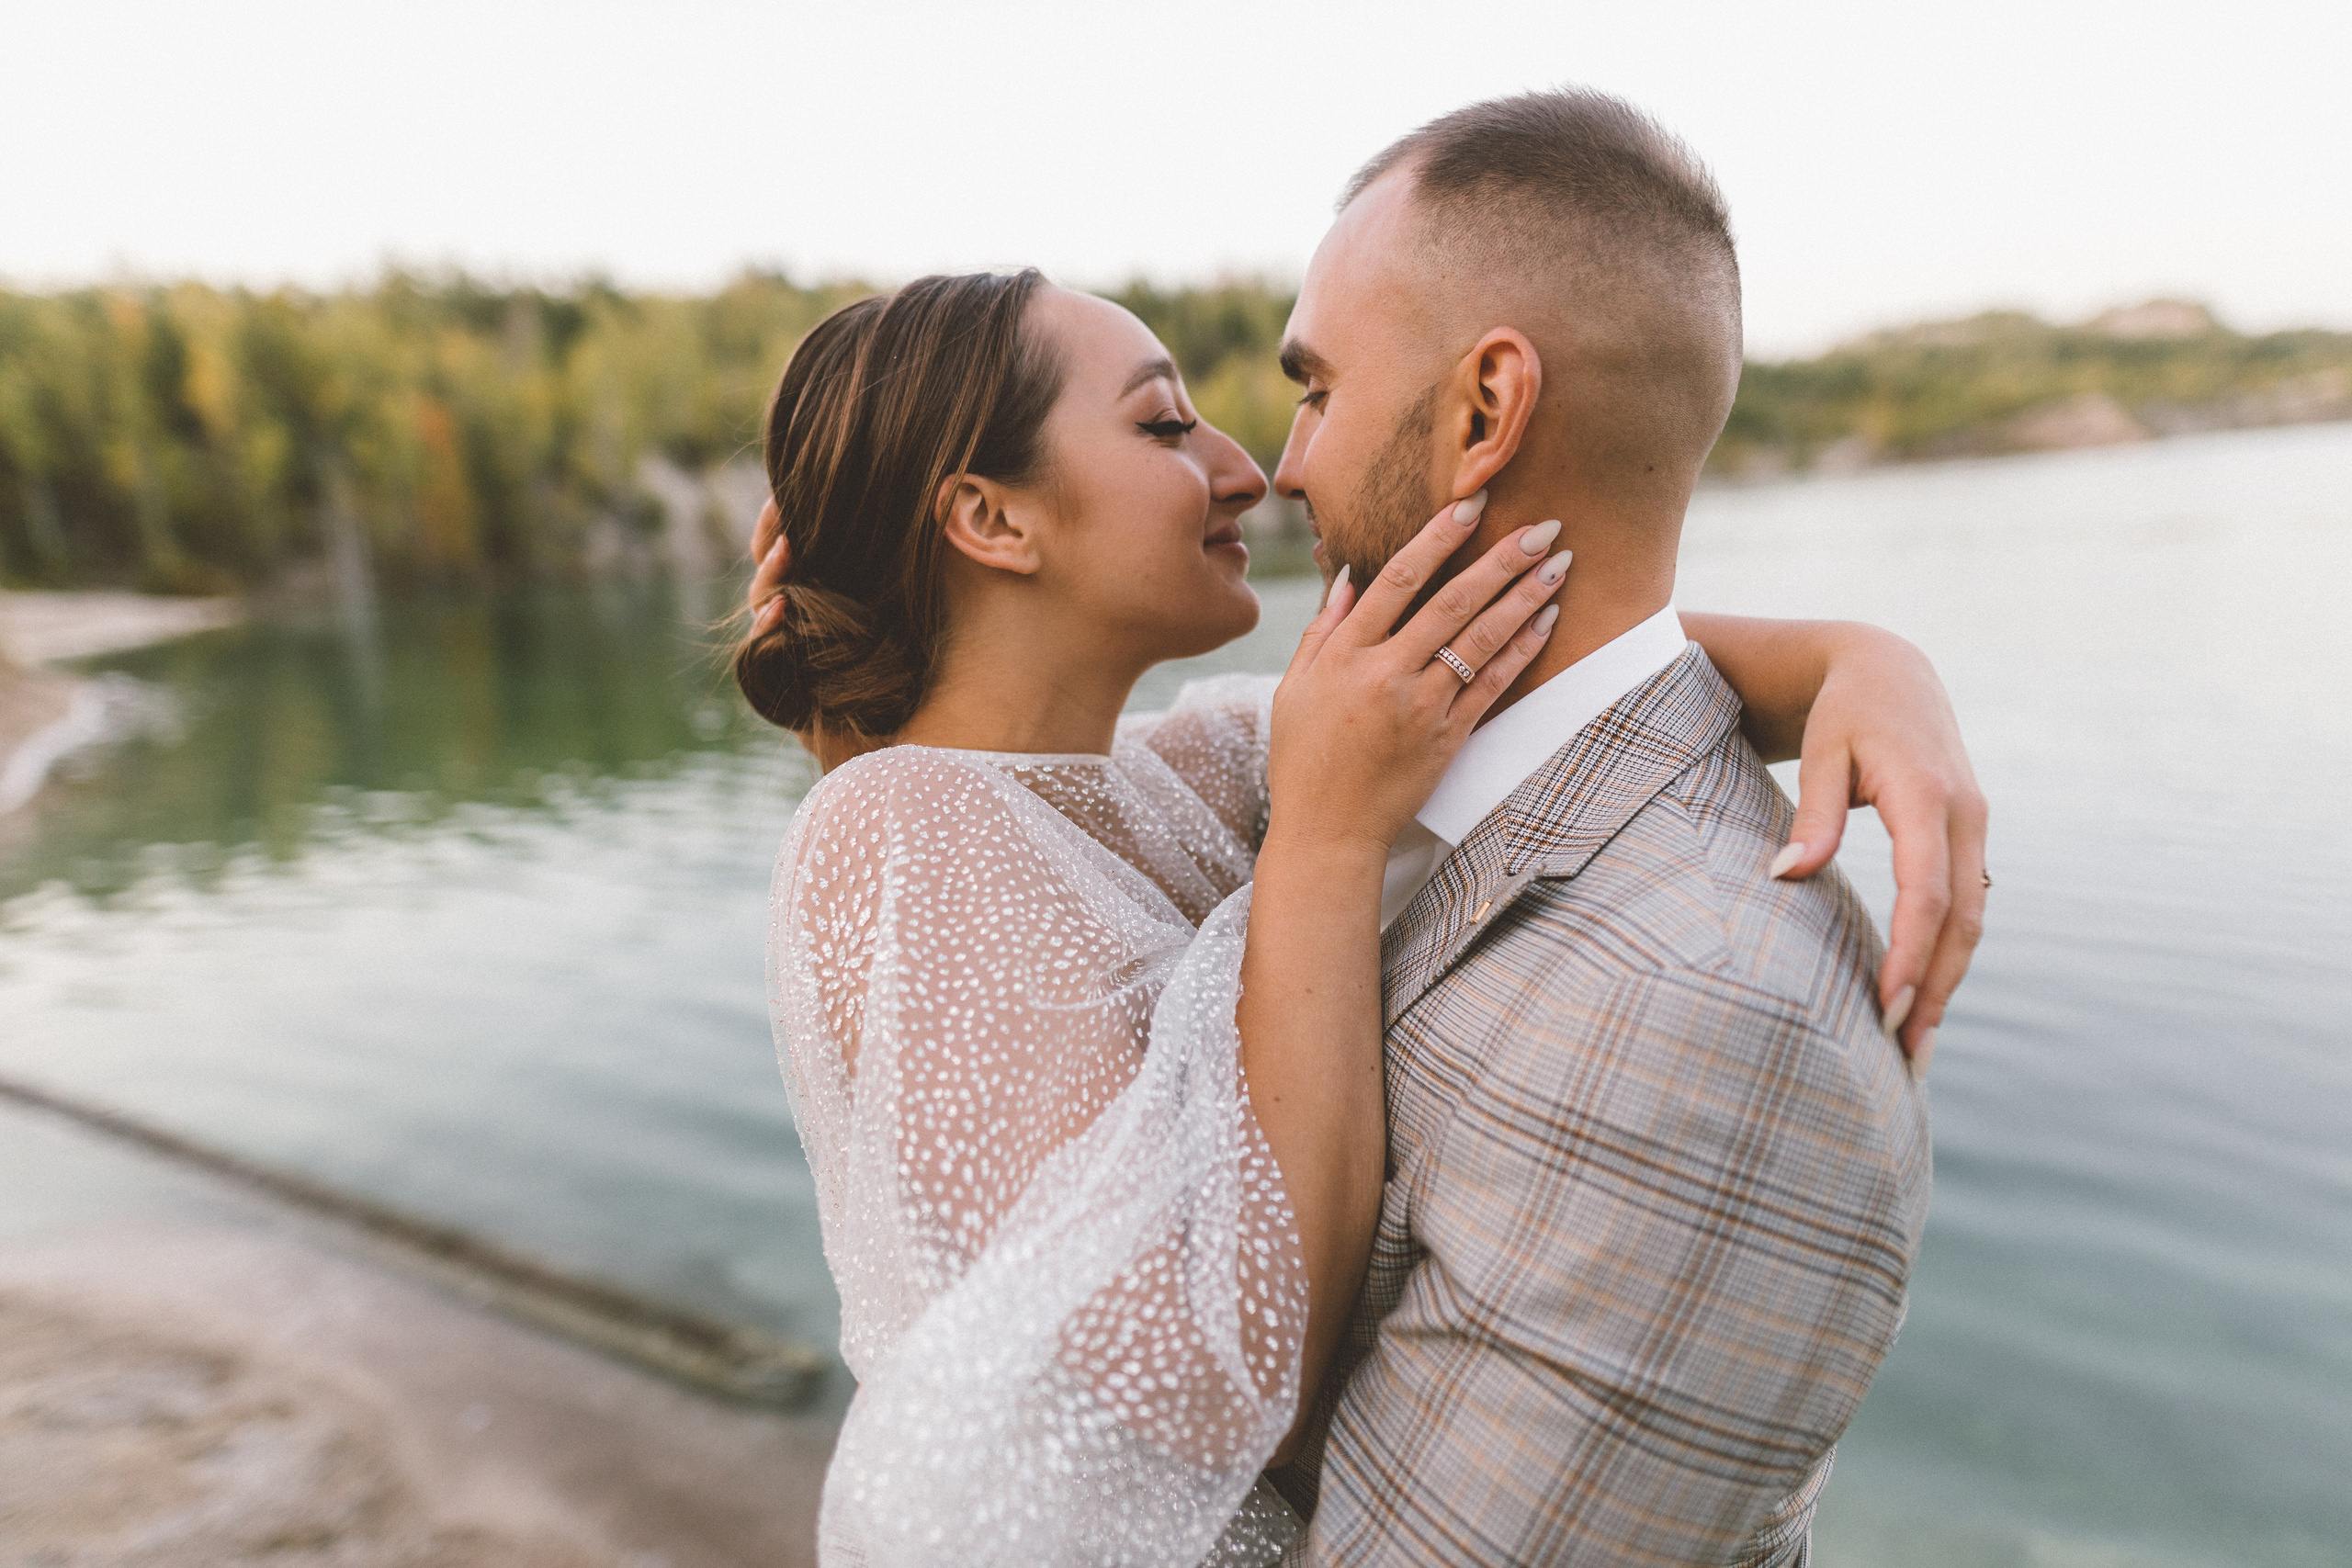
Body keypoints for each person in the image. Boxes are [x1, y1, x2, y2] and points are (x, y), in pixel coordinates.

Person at [735, 96, 1978, 1562]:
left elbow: (1488, 660)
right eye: (1161, 421)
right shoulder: (913, 832)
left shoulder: (1181, 772)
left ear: (1482, 411)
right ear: (994, 523)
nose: (1259, 465)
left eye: (1304, 392)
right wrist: (1322, 846)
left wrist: (1859, 661)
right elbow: (1203, 1383)